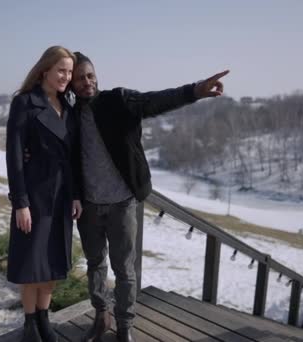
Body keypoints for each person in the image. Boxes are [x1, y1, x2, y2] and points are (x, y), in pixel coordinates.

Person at [70, 51, 229, 342]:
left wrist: (195, 91)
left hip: (121, 203)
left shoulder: (117, 100)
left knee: (124, 269)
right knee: (95, 264)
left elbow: (155, 101)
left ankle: (125, 326)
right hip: (89, 206)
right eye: (79, 78)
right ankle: (101, 315)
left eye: (90, 75)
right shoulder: (70, 114)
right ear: (70, 83)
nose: (87, 82)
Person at [5, 45, 83, 342]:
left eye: (69, 72)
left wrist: (75, 195)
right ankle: (28, 322)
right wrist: (20, 203)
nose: (66, 76)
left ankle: (43, 318)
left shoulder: (69, 108)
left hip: (62, 198)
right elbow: (14, 157)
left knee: (52, 262)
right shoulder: (24, 104)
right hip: (34, 197)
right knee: (31, 262)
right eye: (61, 70)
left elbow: (73, 157)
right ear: (45, 70)